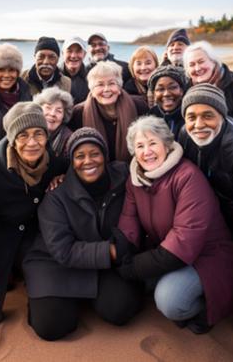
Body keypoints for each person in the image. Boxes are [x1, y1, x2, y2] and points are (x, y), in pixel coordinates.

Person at [116, 116, 233, 334]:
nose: (147, 152)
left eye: (153, 143)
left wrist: (134, 267)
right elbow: (129, 222)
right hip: (169, 251)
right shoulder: (135, 179)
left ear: (166, 144)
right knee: (142, 285)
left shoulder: (187, 176)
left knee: (170, 301)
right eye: (140, 146)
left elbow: (185, 239)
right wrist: (123, 253)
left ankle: (205, 310)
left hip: (207, 256)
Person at [23, 128, 143, 341]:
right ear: (71, 161)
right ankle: (47, 300)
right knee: (53, 327)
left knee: (121, 310)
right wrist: (112, 251)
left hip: (101, 263)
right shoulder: (55, 196)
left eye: (95, 153)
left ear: (105, 156)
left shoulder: (125, 176)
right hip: (56, 263)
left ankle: (88, 297)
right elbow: (63, 250)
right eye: (79, 156)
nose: (88, 161)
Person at [0, 102, 67, 326]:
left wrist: (65, 177)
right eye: (23, 135)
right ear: (11, 139)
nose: (32, 143)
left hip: (31, 238)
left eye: (39, 134)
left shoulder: (52, 161)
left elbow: (71, 169)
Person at [176, 84, 233, 288]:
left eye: (208, 115)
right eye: (191, 117)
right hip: (205, 219)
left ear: (221, 115)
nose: (198, 124)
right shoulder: (185, 134)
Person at [70, 61, 149, 163]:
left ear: (119, 87)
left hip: (133, 168)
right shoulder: (78, 113)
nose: (106, 89)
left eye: (112, 83)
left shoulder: (139, 105)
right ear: (92, 90)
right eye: (100, 85)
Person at [184, 41, 233, 126]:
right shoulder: (187, 89)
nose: (197, 68)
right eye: (192, 65)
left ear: (213, 61)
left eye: (201, 62)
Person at [0, 43, 32, 141]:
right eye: (0, 70)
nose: (7, 75)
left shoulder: (28, 97)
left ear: (18, 72)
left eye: (11, 70)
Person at [145, 65, 189, 138]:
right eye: (160, 89)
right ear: (154, 94)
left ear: (181, 90)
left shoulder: (189, 116)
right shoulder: (150, 117)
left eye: (172, 87)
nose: (166, 94)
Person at [33, 87, 74, 157]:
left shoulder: (69, 139)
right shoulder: (28, 129)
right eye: (48, 108)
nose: (52, 114)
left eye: (59, 111)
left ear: (64, 115)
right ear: (38, 109)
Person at [61, 36, 90, 104]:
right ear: (63, 53)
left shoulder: (90, 78)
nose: (73, 56)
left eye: (78, 51)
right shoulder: (53, 74)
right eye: (69, 51)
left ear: (84, 54)